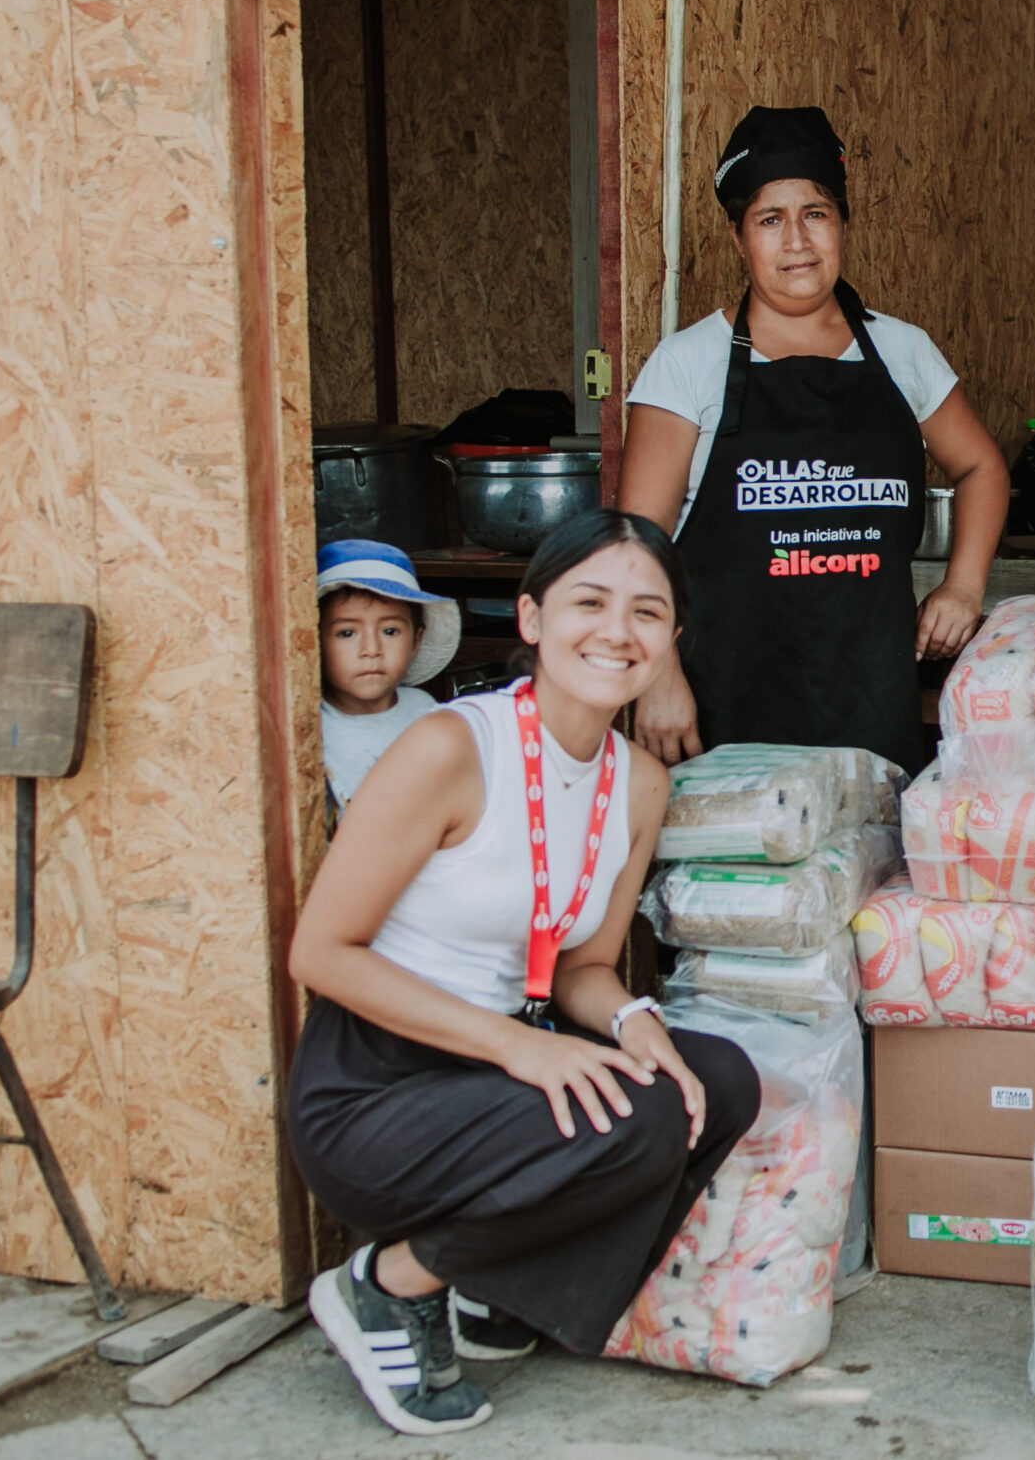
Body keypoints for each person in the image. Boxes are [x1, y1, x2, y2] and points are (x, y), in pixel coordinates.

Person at [288, 511, 759, 1435]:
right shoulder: (453, 747)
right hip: (374, 1088)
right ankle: (392, 1283)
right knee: (639, 1118)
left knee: (714, 1081)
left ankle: (497, 1290)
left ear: (670, 641)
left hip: (495, 1072)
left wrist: (633, 1022)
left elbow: (582, 964)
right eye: (589, 601)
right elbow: (321, 953)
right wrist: (523, 1049)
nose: (616, 631)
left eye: (647, 613)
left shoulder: (637, 780)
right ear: (533, 618)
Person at [622, 105, 1008, 772]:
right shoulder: (688, 363)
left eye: (816, 213)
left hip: (868, 698)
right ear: (739, 238)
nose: (796, 239)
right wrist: (656, 676)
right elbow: (636, 540)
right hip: (722, 699)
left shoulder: (901, 350)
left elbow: (981, 467)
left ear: (843, 224)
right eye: (770, 219)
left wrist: (964, 587)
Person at [316, 539, 462, 818]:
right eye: (347, 633)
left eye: (390, 631)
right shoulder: (312, 727)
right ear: (316, 640)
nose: (371, 650)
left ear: (416, 641)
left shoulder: (425, 712)